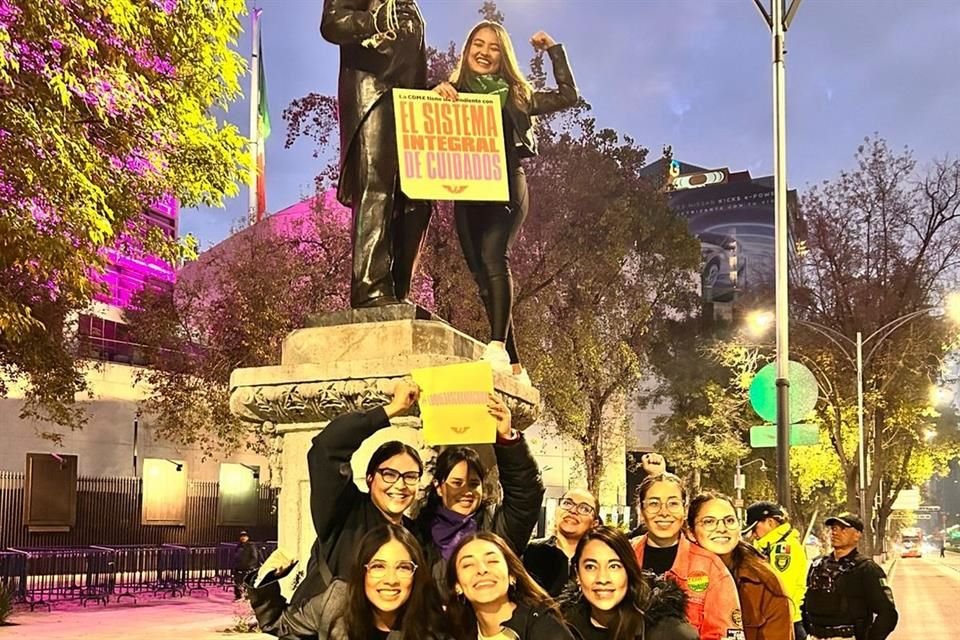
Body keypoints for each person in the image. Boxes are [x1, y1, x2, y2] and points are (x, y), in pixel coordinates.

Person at [433, 22, 579, 382]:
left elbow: (568, 96)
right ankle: (513, 362)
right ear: (467, 51)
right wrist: (436, 92)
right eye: (477, 45)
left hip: (507, 185)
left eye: (494, 47)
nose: (484, 52)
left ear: (503, 56)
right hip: (467, 191)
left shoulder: (516, 94)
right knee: (480, 275)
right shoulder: (451, 90)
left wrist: (552, 50)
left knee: (494, 256)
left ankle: (496, 345)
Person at [321, 0, 432, 308]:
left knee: (417, 202)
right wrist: (375, 19)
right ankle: (370, 287)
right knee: (377, 188)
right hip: (372, 94)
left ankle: (397, 290)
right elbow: (332, 22)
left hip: (409, 105)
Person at [291, 380, 422, 606]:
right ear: (370, 478)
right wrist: (391, 410)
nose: (400, 485)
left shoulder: (415, 535)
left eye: (410, 476)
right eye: (389, 474)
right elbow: (327, 448)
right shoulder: (344, 513)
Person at [412, 398, 545, 590]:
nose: (466, 491)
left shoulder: (497, 527)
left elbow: (526, 493)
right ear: (438, 487)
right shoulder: (419, 534)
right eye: (456, 483)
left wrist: (507, 439)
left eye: (474, 484)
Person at [248, 524, 450, 639]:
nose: (391, 580)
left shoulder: (432, 624)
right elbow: (277, 623)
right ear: (362, 571)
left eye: (403, 567)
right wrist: (266, 577)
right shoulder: (336, 601)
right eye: (378, 566)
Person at [631, 473, 743, 640]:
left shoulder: (710, 567)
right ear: (641, 510)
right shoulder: (621, 556)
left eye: (673, 503)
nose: (664, 512)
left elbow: (725, 634)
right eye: (654, 504)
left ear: (684, 509)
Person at [560, 525, 698, 640]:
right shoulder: (560, 629)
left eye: (614, 566)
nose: (602, 578)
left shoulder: (668, 632)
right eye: (591, 567)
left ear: (629, 571)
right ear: (577, 574)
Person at [689, 492, 793, 640]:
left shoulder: (765, 581)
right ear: (691, 531)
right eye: (709, 522)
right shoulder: (675, 577)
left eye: (729, 520)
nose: (721, 528)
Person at [446, 531, 576, 640]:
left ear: (512, 576)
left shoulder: (544, 627)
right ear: (457, 585)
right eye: (468, 564)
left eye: (492, 561)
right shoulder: (455, 634)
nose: (482, 569)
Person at [802, 513, 898, 640]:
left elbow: (888, 614)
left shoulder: (866, 569)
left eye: (843, 529)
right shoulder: (817, 565)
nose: (835, 533)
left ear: (857, 535)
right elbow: (805, 603)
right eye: (834, 528)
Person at [743, 501, 809, 640]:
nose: (753, 534)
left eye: (755, 528)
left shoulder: (783, 549)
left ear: (770, 522)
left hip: (783, 622)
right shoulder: (768, 546)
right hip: (775, 620)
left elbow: (781, 589)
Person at [523, 488, 600, 597]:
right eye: (568, 503)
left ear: (594, 523)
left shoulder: (598, 557)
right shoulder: (532, 551)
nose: (573, 511)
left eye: (584, 508)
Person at [232, 530, 261, 601]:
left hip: (248, 568)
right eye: (242, 536)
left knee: (247, 583)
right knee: (237, 582)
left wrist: (250, 566)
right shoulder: (238, 546)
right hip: (238, 568)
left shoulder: (251, 546)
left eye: (245, 536)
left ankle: (247, 596)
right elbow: (235, 557)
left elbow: (254, 557)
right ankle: (238, 596)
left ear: (248, 537)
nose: (243, 538)